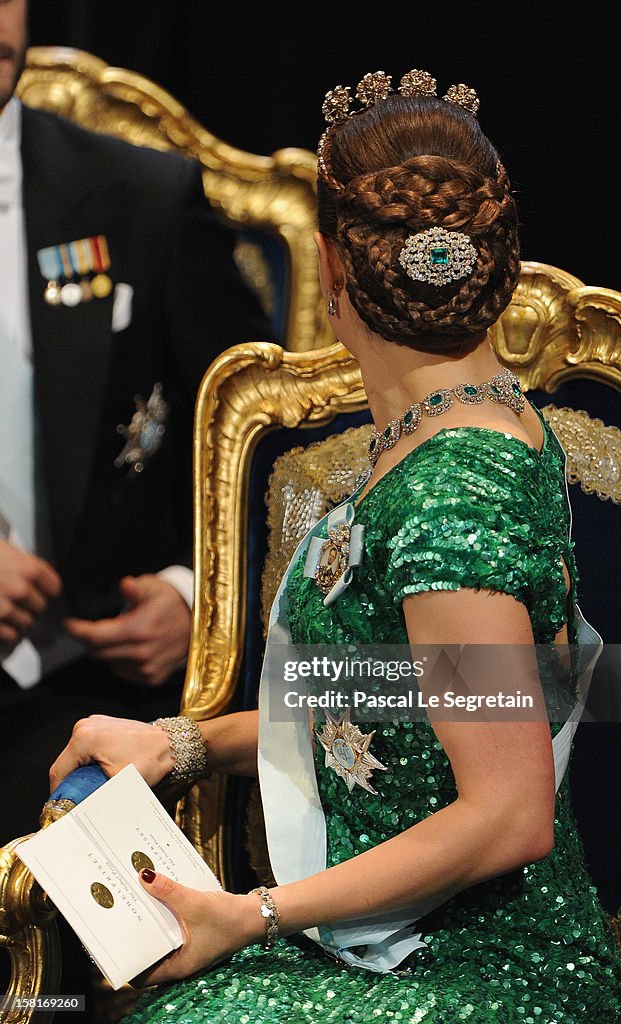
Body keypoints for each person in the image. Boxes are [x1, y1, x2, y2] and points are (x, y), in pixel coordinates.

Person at [51, 70, 621, 1022]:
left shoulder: (452, 492)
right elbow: (408, 697)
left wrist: (251, 915)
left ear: (330, 267)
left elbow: (509, 814)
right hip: (384, 932)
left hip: (471, 967)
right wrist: (180, 743)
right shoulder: (442, 428)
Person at [0, 0, 271, 844]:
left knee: (84, 924)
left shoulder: (141, 197)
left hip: (76, 691)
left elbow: (266, 437)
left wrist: (199, 596)